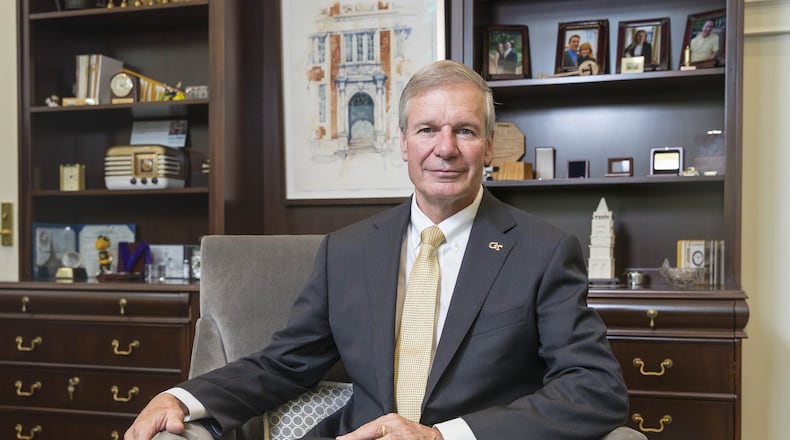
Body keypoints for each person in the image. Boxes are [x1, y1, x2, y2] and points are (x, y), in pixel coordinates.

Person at [125, 59, 628, 440]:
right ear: (404, 143)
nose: (445, 147)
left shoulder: (543, 250)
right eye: (428, 129)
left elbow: (595, 388)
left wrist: (442, 437)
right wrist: (182, 397)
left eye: (465, 131)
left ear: (489, 145)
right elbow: (284, 364)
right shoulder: (345, 252)